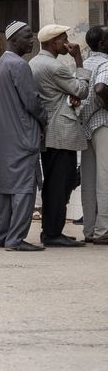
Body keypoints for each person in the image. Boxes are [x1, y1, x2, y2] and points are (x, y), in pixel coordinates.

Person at [29, 24, 90, 247]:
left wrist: (68, 94)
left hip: (49, 129)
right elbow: (82, 90)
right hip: (61, 130)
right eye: (64, 38)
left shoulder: (35, 62)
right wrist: (78, 60)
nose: (68, 42)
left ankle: (52, 230)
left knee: (54, 182)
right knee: (59, 184)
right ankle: (53, 233)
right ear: (53, 42)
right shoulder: (55, 67)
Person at [0, 22, 47, 251]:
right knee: (24, 188)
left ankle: (1, 236)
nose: (32, 41)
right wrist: (45, 118)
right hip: (23, 136)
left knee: (7, 188)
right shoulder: (20, 66)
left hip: (6, 138)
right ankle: (15, 239)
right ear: (13, 40)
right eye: (27, 37)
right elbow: (32, 102)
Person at [83, 26, 108, 244]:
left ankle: (89, 230)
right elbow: (101, 88)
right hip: (102, 123)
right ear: (102, 44)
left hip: (85, 125)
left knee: (88, 180)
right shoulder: (105, 63)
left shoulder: (85, 62)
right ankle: (103, 232)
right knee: (105, 179)